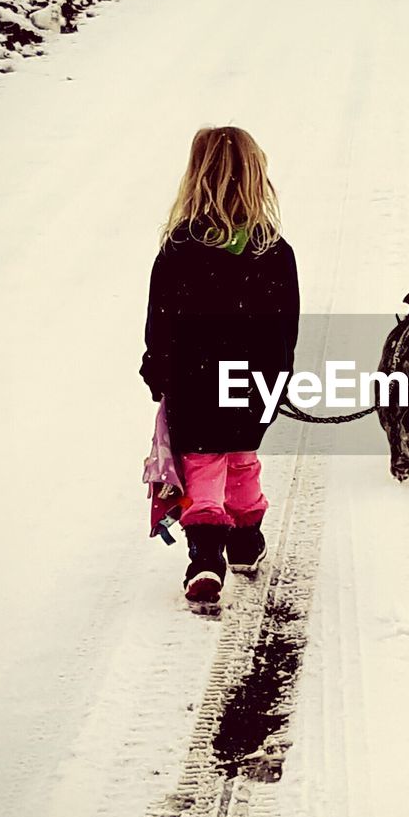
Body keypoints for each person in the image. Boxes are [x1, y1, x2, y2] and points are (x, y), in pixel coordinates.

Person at [140, 126, 299, 610]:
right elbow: (283, 329)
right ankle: (247, 540)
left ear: (196, 178)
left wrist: (157, 370)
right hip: (251, 383)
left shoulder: (178, 251)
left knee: (203, 466)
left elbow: (159, 323)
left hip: (194, 381)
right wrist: (277, 381)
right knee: (241, 458)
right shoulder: (273, 252)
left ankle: (205, 555)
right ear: (255, 178)